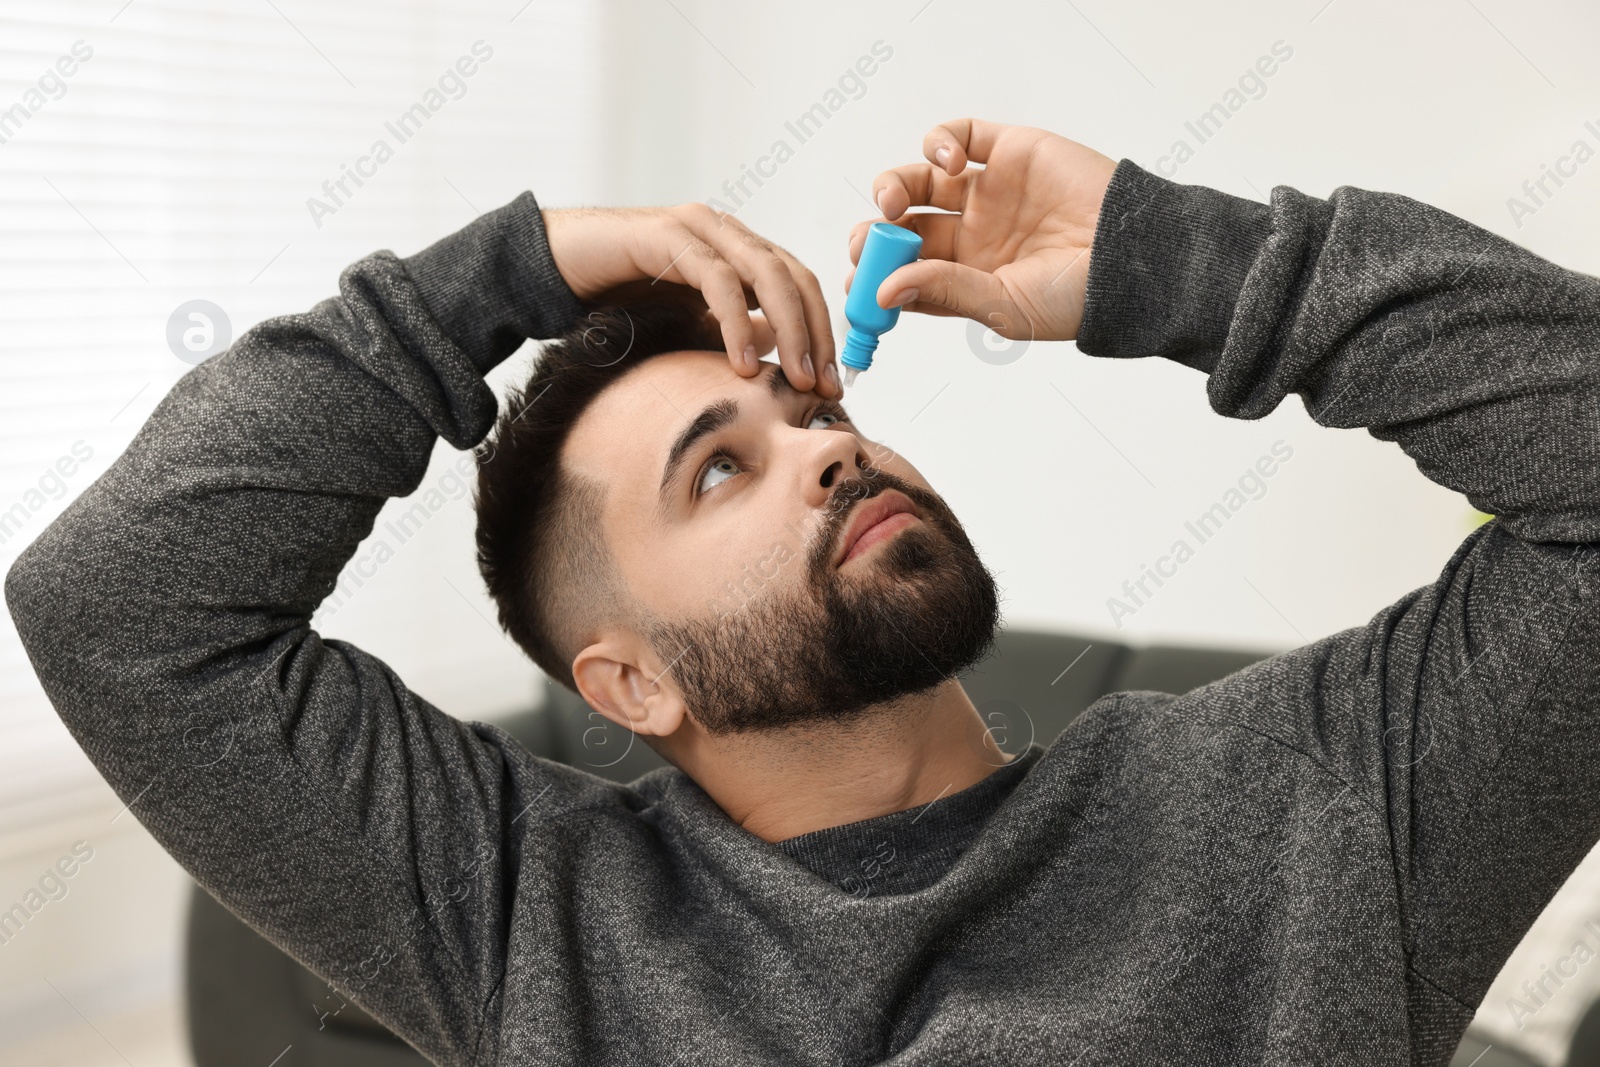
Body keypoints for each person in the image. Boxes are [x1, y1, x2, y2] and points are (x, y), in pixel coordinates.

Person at [8, 115, 1599, 1065]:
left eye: (818, 418)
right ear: (630, 683)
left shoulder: (1311, 806)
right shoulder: (531, 921)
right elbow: (121, 608)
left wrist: (1178, 260)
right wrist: (506, 274)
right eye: (721, 468)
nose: (828, 458)